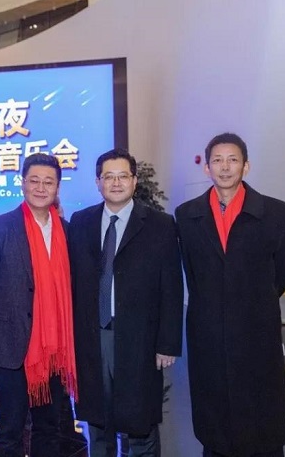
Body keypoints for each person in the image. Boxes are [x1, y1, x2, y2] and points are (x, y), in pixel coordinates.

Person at [175, 133, 285, 457]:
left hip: (256, 328)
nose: (225, 167)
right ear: (207, 168)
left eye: (233, 160)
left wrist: (250, 301)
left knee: (260, 412)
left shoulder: (278, 214)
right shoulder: (186, 215)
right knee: (214, 413)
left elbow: (281, 274)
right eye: (217, 160)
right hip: (208, 330)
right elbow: (192, 271)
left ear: (246, 166)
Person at [68, 148, 184, 457]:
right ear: (98, 182)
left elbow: (172, 287)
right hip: (93, 337)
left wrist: (168, 343)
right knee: (98, 422)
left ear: (134, 181)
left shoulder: (160, 224)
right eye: (109, 177)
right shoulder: (80, 222)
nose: (116, 183)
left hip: (140, 340)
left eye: (123, 176)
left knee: (140, 424)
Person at [0, 153, 78, 457]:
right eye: (34, 181)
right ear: (22, 183)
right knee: (11, 431)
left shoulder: (68, 232)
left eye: (48, 182)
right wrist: (2, 319)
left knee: (49, 428)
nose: (41, 188)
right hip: (10, 347)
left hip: (54, 350)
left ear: (57, 187)